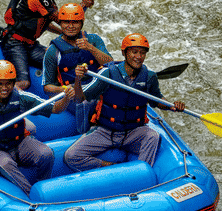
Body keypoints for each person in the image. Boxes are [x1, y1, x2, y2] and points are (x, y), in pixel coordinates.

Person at [63, 33, 185, 172]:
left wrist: (172, 106)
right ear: (124, 52)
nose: (138, 57)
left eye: (142, 53)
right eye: (134, 52)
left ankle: (140, 173)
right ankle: (108, 166)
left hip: (134, 132)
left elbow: (157, 100)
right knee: (71, 156)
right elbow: (80, 98)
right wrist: (78, 80)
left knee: (153, 136)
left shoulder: (149, 77)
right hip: (106, 131)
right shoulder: (107, 74)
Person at [0, 60, 70, 196]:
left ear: (13, 83)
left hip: (19, 143)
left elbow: (55, 109)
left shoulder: (22, 97)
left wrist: (66, 99)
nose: (4, 88)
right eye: (0, 84)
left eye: (8, 83)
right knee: (6, 164)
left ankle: (42, 187)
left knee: (46, 154)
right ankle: (31, 196)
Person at [0, 0, 95, 91]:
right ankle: (1, 104)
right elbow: (62, 19)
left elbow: (45, 22)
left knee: (58, 62)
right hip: (14, 43)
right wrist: (83, 6)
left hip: (30, 45)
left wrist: (62, 32)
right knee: (24, 83)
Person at [42, 3, 112, 133]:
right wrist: (64, 90)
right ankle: (86, 133)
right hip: (73, 95)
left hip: (96, 88)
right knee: (84, 102)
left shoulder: (93, 40)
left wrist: (91, 48)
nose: (70, 26)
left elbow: (110, 64)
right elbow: (47, 87)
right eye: (66, 22)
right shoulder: (53, 51)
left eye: (75, 22)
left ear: (81, 23)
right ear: (60, 23)